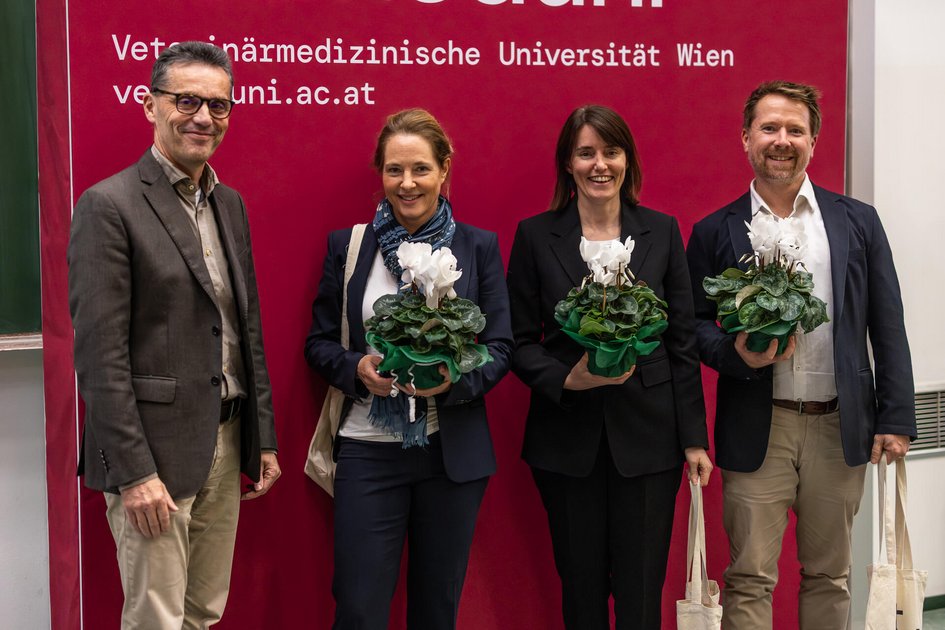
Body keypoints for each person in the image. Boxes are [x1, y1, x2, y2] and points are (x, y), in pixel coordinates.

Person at [686, 80, 917, 629]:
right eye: (769, 128)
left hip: (840, 428)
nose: (781, 140)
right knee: (749, 579)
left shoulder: (857, 222)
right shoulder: (716, 231)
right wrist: (737, 354)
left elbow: (887, 323)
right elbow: (689, 328)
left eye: (795, 129)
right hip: (757, 429)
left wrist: (896, 416)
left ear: (814, 140)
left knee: (829, 576)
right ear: (746, 139)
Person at [68, 41, 280, 629]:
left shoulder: (228, 203)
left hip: (227, 439)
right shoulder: (108, 205)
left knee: (203, 614)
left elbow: (245, 330)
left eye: (219, 105)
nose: (204, 117)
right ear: (149, 105)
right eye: (186, 100)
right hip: (154, 459)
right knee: (156, 620)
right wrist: (134, 473)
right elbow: (99, 357)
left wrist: (262, 438)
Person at [304, 108, 512, 630]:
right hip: (367, 453)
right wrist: (357, 368)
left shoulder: (477, 248)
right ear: (381, 174)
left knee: (436, 612)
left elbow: (501, 347)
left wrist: (455, 379)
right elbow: (319, 343)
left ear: (444, 169)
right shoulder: (349, 248)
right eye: (394, 170)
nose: (407, 182)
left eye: (420, 168)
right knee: (358, 608)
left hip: (451, 456)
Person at [506, 104, 712, 630]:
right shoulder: (535, 236)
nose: (600, 164)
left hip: (650, 442)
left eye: (611, 151)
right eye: (586, 153)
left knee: (642, 593)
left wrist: (693, 438)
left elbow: (683, 342)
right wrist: (565, 378)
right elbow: (517, 341)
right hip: (565, 442)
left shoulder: (662, 232)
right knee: (581, 592)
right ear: (568, 164)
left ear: (627, 160)